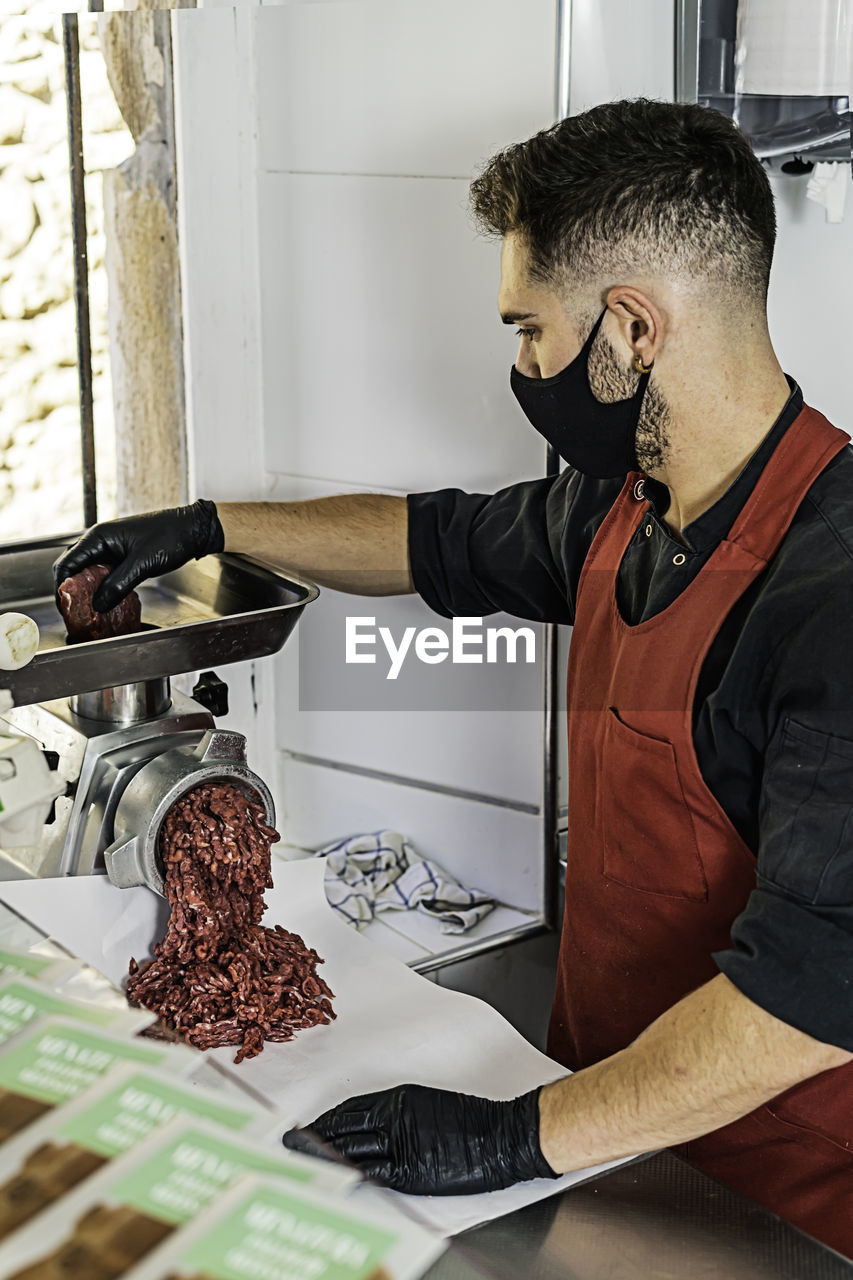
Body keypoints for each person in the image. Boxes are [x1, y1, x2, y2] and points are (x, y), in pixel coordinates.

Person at [55, 100, 853, 1255]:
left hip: (771, 1206)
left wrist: (508, 1136)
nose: (523, 367)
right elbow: (431, 540)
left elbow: (807, 1001)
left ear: (631, 326)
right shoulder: (625, 506)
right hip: (599, 1131)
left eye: (531, 329)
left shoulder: (829, 590)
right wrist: (209, 525)